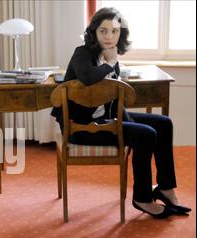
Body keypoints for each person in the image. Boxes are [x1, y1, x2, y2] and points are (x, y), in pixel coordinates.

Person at [51, 7, 191, 219]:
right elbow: (88, 77)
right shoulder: (82, 53)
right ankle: (142, 198)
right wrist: (110, 64)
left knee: (164, 123)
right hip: (80, 127)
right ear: (94, 32)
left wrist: (126, 119)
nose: (109, 36)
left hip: (104, 120)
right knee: (146, 134)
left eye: (114, 31)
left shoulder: (110, 56)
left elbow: (114, 99)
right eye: (103, 31)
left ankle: (165, 187)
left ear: (121, 34)